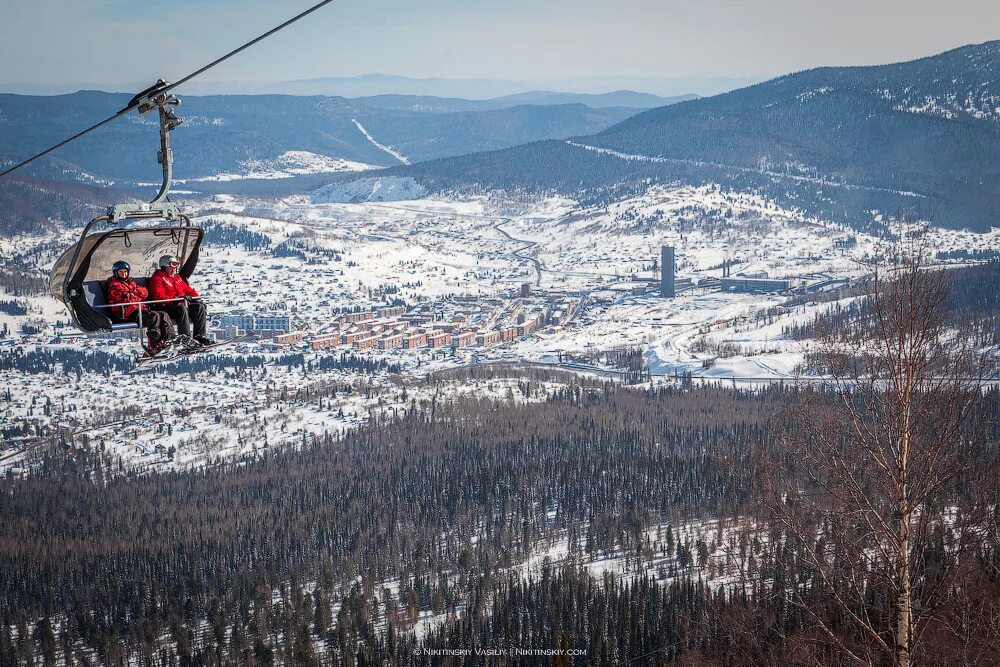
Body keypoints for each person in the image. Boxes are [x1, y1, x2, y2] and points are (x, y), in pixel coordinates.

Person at [106, 261, 177, 353]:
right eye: (121, 272)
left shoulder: (131, 282)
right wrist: (135, 293)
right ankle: (154, 344)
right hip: (126, 313)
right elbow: (125, 298)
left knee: (163, 314)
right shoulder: (114, 285)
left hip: (138, 309)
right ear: (116, 273)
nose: (124, 274)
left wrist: (134, 293)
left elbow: (145, 293)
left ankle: (169, 339)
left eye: (125, 272)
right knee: (153, 316)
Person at [147, 254, 213, 346]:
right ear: (164, 266)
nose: (174, 269)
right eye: (172, 266)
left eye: (176, 266)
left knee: (199, 307)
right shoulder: (158, 279)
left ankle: (199, 336)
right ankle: (185, 338)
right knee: (181, 309)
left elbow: (188, 290)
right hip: (166, 306)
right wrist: (175, 299)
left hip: (179, 304)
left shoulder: (177, 278)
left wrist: (196, 299)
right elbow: (159, 297)